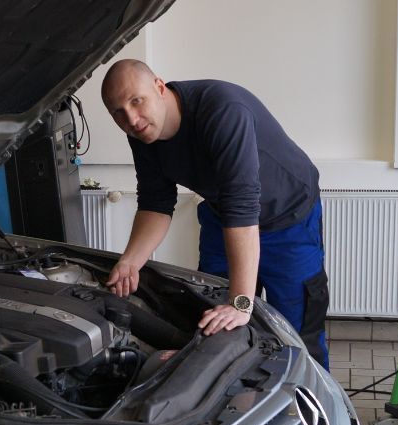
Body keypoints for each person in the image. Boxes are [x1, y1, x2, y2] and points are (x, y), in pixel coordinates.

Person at [99, 59, 330, 369]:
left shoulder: (222, 111)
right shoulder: (142, 133)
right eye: (118, 112)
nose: (131, 118)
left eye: (136, 101)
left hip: (288, 219)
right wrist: (130, 261)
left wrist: (241, 302)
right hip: (224, 217)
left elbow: (243, 206)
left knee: (297, 335)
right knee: (212, 319)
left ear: (159, 86)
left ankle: (311, 413)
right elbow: (156, 203)